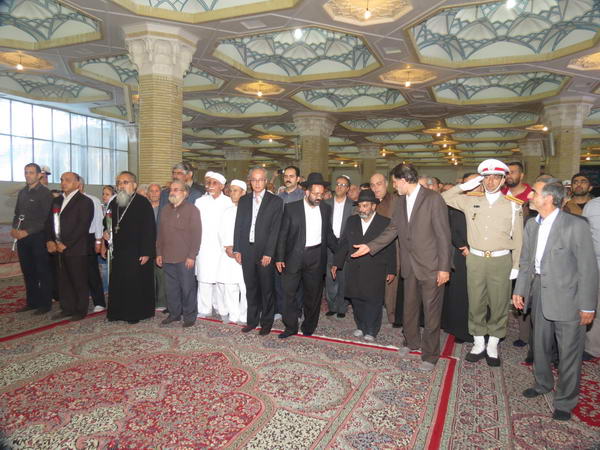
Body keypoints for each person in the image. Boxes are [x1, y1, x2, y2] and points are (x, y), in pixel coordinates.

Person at [513, 178, 597, 421]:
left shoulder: (576, 225)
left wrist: (588, 305)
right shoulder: (531, 224)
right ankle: (543, 383)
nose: (529, 196)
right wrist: (520, 290)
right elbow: (526, 261)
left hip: (569, 297)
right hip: (540, 292)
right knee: (539, 345)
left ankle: (565, 400)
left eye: (534, 192)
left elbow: (588, 267)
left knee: (569, 352)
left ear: (548, 198)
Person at [353, 164, 451, 371]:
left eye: (395, 182)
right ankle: (411, 341)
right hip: (409, 265)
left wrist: (444, 268)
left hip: (432, 266)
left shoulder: (433, 199)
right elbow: (393, 229)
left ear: (404, 180)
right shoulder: (400, 201)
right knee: (409, 308)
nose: (394, 186)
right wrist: (370, 246)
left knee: (432, 314)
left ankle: (430, 355)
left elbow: (443, 235)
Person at [442, 159, 523, 366]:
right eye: (486, 177)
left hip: (501, 260)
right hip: (476, 259)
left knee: (498, 303)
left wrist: (516, 265)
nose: (490, 181)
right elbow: (444, 198)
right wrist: (463, 187)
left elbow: (518, 239)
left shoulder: (513, 205)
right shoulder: (470, 201)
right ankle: (478, 342)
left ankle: (493, 343)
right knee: (476, 301)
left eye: (496, 177)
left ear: (503, 180)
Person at [275, 173, 338, 338]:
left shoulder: (326, 209)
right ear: (307, 192)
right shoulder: (291, 208)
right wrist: (279, 257)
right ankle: (290, 327)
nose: (319, 197)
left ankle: (309, 326)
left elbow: (328, 234)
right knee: (289, 294)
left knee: (313, 295)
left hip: (316, 256)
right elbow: (282, 234)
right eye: (315, 193)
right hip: (293, 257)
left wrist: (341, 250)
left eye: (321, 194)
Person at [332, 189, 396, 341]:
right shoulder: (351, 221)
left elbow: (391, 249)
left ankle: (371, 330)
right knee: (356, 299)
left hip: (376, 268)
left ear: (374, 206)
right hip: (354, 267)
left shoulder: (385, 222)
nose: (362, 209)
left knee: (373, 301)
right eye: (360, 206)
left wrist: (391, 269)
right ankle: (360, 326)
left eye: (365, 206)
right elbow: (344, 243)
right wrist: (336, 263)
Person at [233, 167, 283, 335]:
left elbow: (275, 230)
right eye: (254, 180)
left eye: (260, 179)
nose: (257, 183)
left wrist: (269, 253)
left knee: (267, 289)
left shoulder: (275, 201)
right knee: (251, 287)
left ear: (266, 181)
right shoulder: (244, 200)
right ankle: (252, 321)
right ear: (250, 182)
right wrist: (237, 248)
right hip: (247, 249)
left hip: (265, 251)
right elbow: (238, 226)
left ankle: (266, 323)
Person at [105, 171, 156, 324]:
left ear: (134, 185)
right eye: (119, 183)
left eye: (125, 182)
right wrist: (106, 231)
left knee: (134, 283)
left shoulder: (142, 203)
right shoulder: (114, 203)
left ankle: (135, 313)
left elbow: (149, 229)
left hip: (136, 251)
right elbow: (107, 221)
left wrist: (146, 252)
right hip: (119, 251)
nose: (121, 185)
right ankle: (117, 312)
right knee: (118, 282)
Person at [46, 172, 93, 321]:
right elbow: (49, 222)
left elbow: (82, 226)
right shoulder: (57, 200)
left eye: (67, 180)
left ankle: (80, 309)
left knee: (78, 280)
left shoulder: (84, 201)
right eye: (62, 180)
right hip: (58, 247)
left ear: (78, 183)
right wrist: (50, 240)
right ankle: (67, 308)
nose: (63, 183)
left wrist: (66, 244)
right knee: (63, 280)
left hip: (76, 248)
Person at [156, 180, 202, 328]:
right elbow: (160, 234)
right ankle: (174, 314)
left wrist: (192, 256)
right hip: (167, 256)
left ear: (185, 193)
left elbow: (196, 235)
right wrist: (159, 253)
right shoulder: (165, 210)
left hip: (184, 258)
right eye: (171, 190)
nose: (172, 192)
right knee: (171, 289)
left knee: (187, 288)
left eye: (176, 190)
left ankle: (189, 316)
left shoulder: (192, 210)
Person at [441, 173, 479, 343]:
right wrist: (462, 246)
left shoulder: (490, 203)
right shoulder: (459, 203)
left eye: (476, 182)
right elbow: (451, 229)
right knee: (461, 294)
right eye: (468, 183)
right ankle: (461, 330)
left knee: (480, 296)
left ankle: (481, 330)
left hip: (483, 255)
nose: (473, 186)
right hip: (462, 254)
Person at [11, 163, 53, 314]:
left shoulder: (45, 193)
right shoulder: (23, 192)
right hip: (23, 238)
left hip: (38, 237)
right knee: (28, 271)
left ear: (39, 175)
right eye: (26, 172)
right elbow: (17, 213)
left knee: (42, 271)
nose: (28, 175)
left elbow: (46, 219)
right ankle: (32, 302)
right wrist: (15, 228)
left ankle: (45, 304)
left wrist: (27, 232)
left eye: (31, 172)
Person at [195, 172, 232, 320]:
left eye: (214, 183)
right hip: (203, 246)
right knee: (204, 279)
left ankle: (222, 308)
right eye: (208, 183)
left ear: (222, 186)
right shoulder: (199, 202)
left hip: (222, 247)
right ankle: (204, 309)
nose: (210, 186)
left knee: (221, 280)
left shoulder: (229, 202)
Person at [370, 172, 400, 325]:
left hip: (393, 248)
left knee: (391, 286)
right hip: (371, 250)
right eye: (372, 185)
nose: (375, 188)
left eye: (379, 184)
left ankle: (392, 315)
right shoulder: (368, 202)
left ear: (386, 184)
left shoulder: (397, 201)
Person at [275, 165, 305, 320]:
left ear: (298, 179)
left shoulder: (303, 197)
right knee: (279, 277)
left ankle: (297, 310)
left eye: (291, 176)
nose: (288, 179)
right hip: (279, 242)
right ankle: (280, 309)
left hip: (296, 243)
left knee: (296, 280)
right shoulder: (278, 197)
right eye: (286, 176)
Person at [217, 180, 248, 325]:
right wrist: (227, 247)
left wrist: (239, 249)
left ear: (243, 192)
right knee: (230, 287)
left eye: (236, 190)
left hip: (244, 254)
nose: (232, 193)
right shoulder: (227, 211)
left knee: (245, 287)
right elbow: (221, 232)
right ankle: (233, 315)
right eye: (231, 190)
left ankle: (244, 316)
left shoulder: (250, 211)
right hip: (229, 254)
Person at [324, 175, 353, 317]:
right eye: (338, 184)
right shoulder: (326, 204)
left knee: (343, 278)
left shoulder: (353, 205)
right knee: (330, 278)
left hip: (345, 245)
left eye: (343, 185)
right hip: (329, 245)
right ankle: (332, 306)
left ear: (348, 189)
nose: (339, 187)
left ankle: (342, 307)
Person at [78, 177, 105, 313]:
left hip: (89, 237)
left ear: (80, 185)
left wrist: (98, 240)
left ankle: (99, 301)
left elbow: (99, 221)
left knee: (91, 271)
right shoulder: (64, 200)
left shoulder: (92, 200)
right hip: (71, 240)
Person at [582, 198, 600, 361]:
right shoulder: (592, 206)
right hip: (595, 264)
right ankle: (593, 348)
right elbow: (583, 235)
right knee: (595, 306)